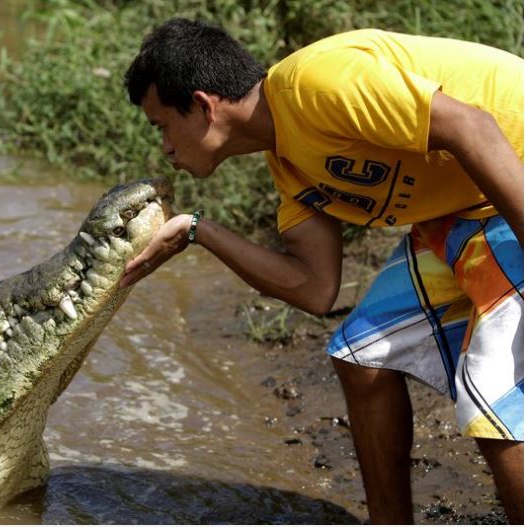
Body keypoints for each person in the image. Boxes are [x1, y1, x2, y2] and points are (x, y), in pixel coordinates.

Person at [120, 18, 523, 524]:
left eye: (162, 127)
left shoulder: (317, 84)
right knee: (364, 356)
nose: (165, 148)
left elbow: (473, 127)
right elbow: (315, 289)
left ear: (202, 105)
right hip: (464, 213)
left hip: (513, 179)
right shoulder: (289, 165)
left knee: (492, 399)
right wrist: (197, 231)